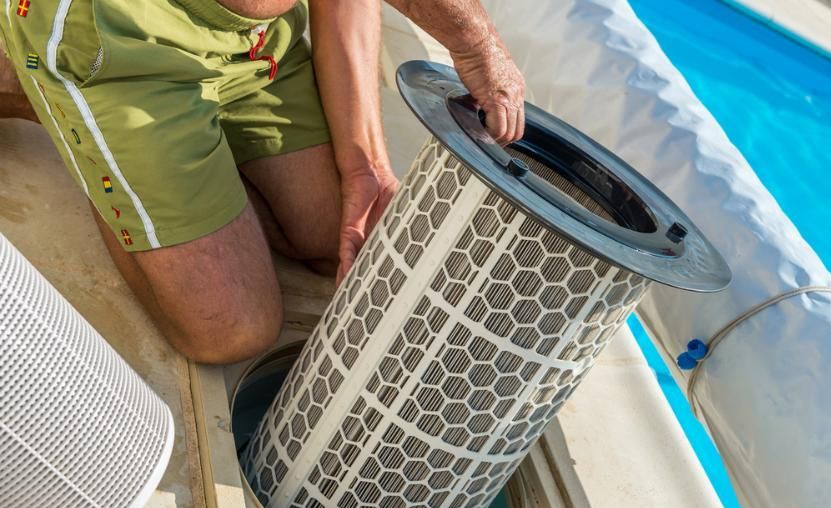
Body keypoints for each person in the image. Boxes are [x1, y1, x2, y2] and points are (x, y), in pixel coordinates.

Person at [0, 0, 525, 363]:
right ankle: (47, 100)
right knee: (229, 330)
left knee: (334, 235)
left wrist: (366, 169)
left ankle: (159, 148)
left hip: (252, 43)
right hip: (121, 39)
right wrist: (476, 43)